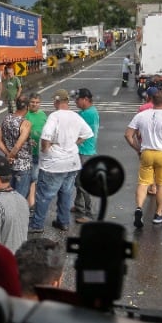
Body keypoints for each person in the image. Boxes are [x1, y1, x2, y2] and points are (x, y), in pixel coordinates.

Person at [28, 90, 94, 234]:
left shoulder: (54, 116)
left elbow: (46, 136)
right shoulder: (76, 116)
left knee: (44, 195)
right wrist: (73, 143)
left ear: (57, 102)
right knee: (66, 193)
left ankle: (37, 224)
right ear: (67, 101)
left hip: (54, 164)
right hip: (72, 163)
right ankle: (63, 222)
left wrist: (46, 149)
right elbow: (88, 133)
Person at [125, 87, 162, 228]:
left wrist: (138, 148)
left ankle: (139, 208)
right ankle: (158, 214)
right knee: (161, 185)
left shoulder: (141, 115)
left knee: (143, 183)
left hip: (146, 152)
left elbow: (128, 135)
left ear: (151, 101)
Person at [0, 94, 34, 205]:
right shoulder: (26, 123)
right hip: (23, 165)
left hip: (9, 164)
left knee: (9, 195)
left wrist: (7, 155)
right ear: (27, 107)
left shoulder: (7, 118)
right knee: (20, 199)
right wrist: (12, 155)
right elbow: (18, 144)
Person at [71, 87, 100, 223]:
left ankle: (90, 213)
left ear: (86, 99)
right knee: (78, 181)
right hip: (84, 151)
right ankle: (79, 206)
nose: (76, 102)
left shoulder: (87, 114)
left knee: (83, 183)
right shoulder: (87, 111)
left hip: (85, 152)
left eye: (78, 99)